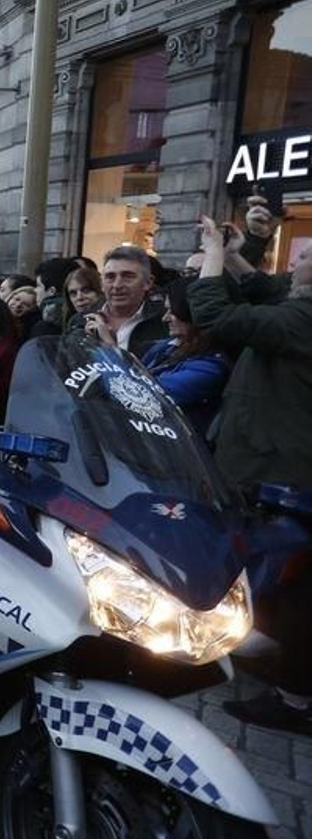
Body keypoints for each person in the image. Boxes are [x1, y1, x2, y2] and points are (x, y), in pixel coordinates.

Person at [189, 215, 312, 734]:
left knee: (295, 590)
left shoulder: (303, 319)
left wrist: (214, 250)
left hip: (282, 474)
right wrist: (240, 251)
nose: (297, 259)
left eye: (306, 258)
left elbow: (215, 313)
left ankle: (295, 697)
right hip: (276, 466)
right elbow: (265, 286)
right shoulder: (296, 307)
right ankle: (281, 667)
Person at [138, 277, 230, 438]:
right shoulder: (164, 347)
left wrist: (109, 351)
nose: (165, 318)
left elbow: (147, 394)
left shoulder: (211, 368)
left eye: (172, 311)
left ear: (190, 312)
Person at [64, 245, 167, 358]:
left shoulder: (164, 322)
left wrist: (111, 347)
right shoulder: (79, 321)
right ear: (101, 284)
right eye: (110, 277)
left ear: (148, 282)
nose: (117, 285)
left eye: (128, 276)